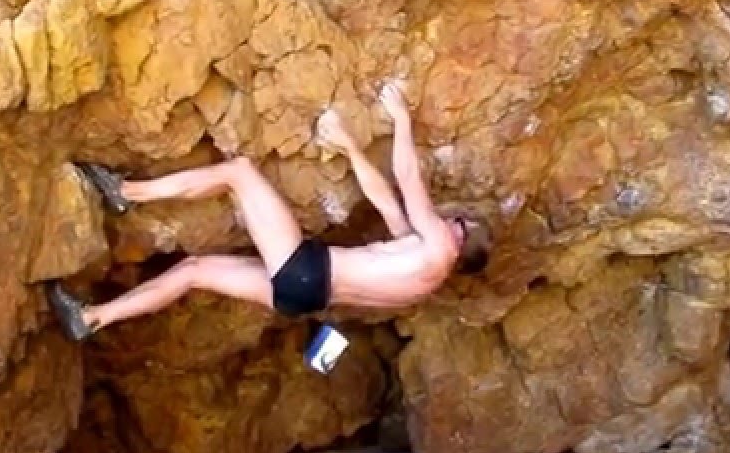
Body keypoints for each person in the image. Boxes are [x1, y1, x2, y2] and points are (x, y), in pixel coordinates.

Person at [46, 81, 492, 342]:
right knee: (193, 272)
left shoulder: (438, 246)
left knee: (240, 172)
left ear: (459, 235)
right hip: (301, 297)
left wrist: (401, 118)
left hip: (305, 270)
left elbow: (408, 177)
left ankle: (127, 191)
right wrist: (351, 148)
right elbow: (387, 202)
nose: (447, 219)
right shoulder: (422, 277)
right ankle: (89, 318)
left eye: (458, 221)